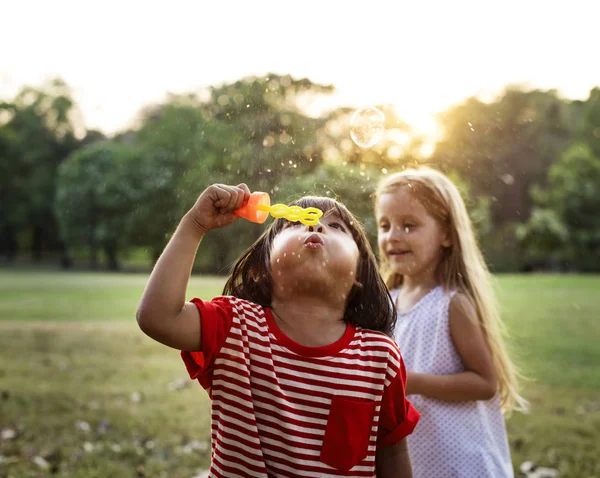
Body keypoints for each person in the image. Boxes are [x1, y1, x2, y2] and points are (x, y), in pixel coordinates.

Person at [137, 183, 420, 478]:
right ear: (262, 268)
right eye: (295, 222)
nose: (315, 225)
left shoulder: (379, 357)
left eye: (335, 226)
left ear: (359, 272)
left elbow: (393, 452)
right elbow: (158, 317)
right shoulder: (235, 326)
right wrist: (195, 224)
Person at [374, 168, 528, 478]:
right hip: (417, 457)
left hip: (462, 460)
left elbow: (485, 384)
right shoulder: (386, 302)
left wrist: (410, 381)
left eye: (408, 225)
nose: (393, 236)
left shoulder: (451, 305)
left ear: (446, 234)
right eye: (385, 225)